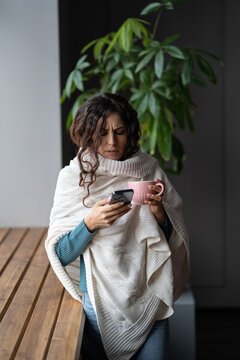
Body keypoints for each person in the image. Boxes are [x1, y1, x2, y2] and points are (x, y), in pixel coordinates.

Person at [45, 93, 189, 360]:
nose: (112, 142)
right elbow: (61, 254)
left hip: (149, 300)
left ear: (130, 133)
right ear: (87, 133)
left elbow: (171, 240)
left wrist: (159, 215)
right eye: (102, 133)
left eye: (120, 132)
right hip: (96, 311)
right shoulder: (72, 178)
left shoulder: (149, 170)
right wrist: (90, 224)